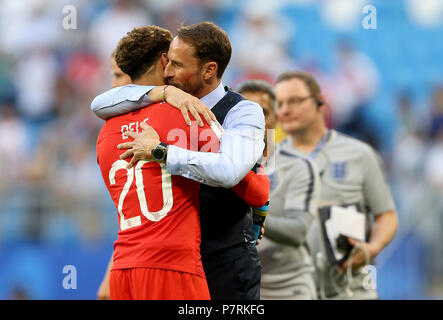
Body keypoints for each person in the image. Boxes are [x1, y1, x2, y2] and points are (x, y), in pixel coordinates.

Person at [91, 22, 266, 300]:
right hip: (176, 259)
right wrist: (163, 92)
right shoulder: (161, 105)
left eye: (177, 64)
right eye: (167, 61)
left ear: (209, 69)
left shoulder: (242, 112)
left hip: (225, 258)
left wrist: (161, 151)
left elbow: (231, 171)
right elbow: (98, 103)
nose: (167, 71)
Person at [273, 71, 398, 300]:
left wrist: (373, 247)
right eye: (279, 103)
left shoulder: (359, 154)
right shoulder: (270, 162)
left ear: (320, 101)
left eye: (295, 101)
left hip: (350, 290)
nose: (285, 110)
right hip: (290, 292)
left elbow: (386, 215)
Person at [236, 79, 320, 300]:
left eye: (263, 111)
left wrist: (253, 217)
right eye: (246, 110)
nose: (255, 119)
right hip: (237, 284)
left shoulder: (299, 166)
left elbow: (298, 231)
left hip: (287, 287)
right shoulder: (217, 165)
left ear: (276, 118)